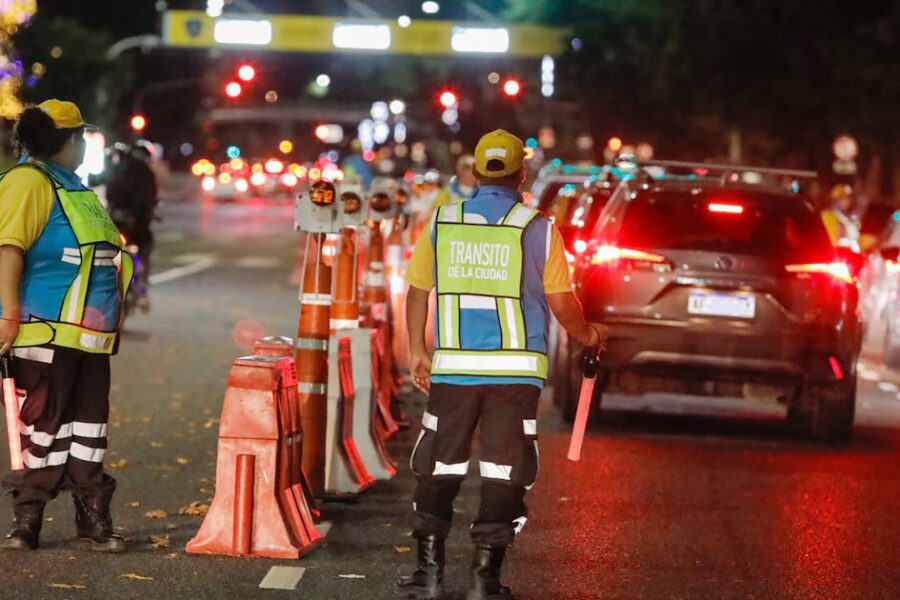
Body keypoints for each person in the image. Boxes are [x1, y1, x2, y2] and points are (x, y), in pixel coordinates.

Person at [398, 130, 606, 600]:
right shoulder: (539, 228)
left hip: (454, 370)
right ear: (521, 174)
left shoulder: (444, 221)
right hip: (516, 375)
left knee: (439, 464)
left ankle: (428, 576)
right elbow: (562, 302)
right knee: (504, 470)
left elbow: (417, 292)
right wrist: (588, 334)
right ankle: (484, 580)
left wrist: (417, 351)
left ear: (475, 172)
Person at [0, 100, 133, 552]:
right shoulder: (29, 181)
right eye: (81, 137)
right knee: (45, 429)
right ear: (71, 140)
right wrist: (8, 315)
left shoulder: (74, 187)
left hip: (87, 337)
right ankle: (27, 522)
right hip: (43, 331)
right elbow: (9, 248)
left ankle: (92, 517)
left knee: (89, 429)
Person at [106, 140, 157, 310]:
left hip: (116, 219)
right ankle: (142, 289)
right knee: (146, 246)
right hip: (137, 223)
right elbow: (148, 198)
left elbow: (109, 193)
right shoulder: (145, 173)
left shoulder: (118, 168)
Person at [821, 184, 861, 252]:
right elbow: (830, 239)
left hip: (849, 253)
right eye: (843, 198)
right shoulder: (828, 215)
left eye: (848, 198)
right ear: (836, 200)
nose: (847, 200)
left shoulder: (849, 218)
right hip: (835, 253)